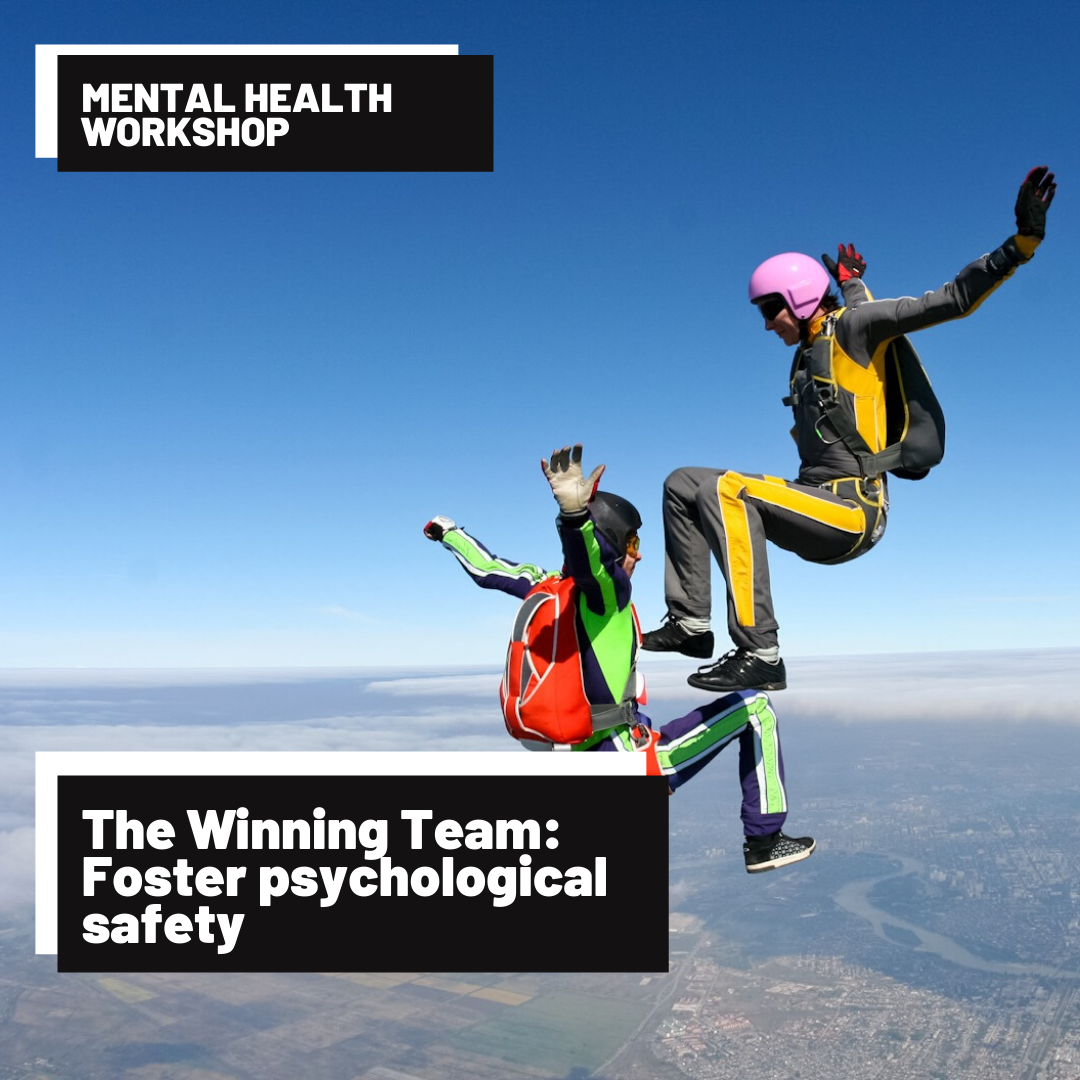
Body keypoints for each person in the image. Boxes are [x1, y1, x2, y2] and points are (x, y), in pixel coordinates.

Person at [643, 166, 1057, 693]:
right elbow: (857, 308)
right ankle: (690, 624)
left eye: (770, 308)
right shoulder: (809, 352)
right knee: (683, 482)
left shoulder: (854, 330)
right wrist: (851, 280)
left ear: (798, 297)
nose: (766, 323)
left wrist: (1021, 244)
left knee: (727, 490)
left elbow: (950, 299)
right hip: (812, 501)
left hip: (853, 512)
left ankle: (760, 652)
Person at [424, 443, 815, 873]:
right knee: (756, 709)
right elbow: (593, 567)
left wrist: (449, 533)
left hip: (579, 758)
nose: (639, 553)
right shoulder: (607, 598)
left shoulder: (543, 586)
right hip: (627, 763)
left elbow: (489, 569)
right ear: (611, 543)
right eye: (632, 542)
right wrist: (574, 517)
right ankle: (764, 841)